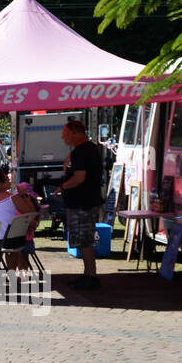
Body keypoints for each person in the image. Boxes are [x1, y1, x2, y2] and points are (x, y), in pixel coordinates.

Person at [57, 119, 103, 289]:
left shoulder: (83, 151)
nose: (63, 137)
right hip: (84, 202)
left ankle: (91, 276)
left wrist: (62, 186)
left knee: (84, 240)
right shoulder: (84, 150)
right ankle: (87, 274)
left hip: (82, 203)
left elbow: (79, 177)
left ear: (75, 133)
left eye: (65, 133)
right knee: (83, 240)